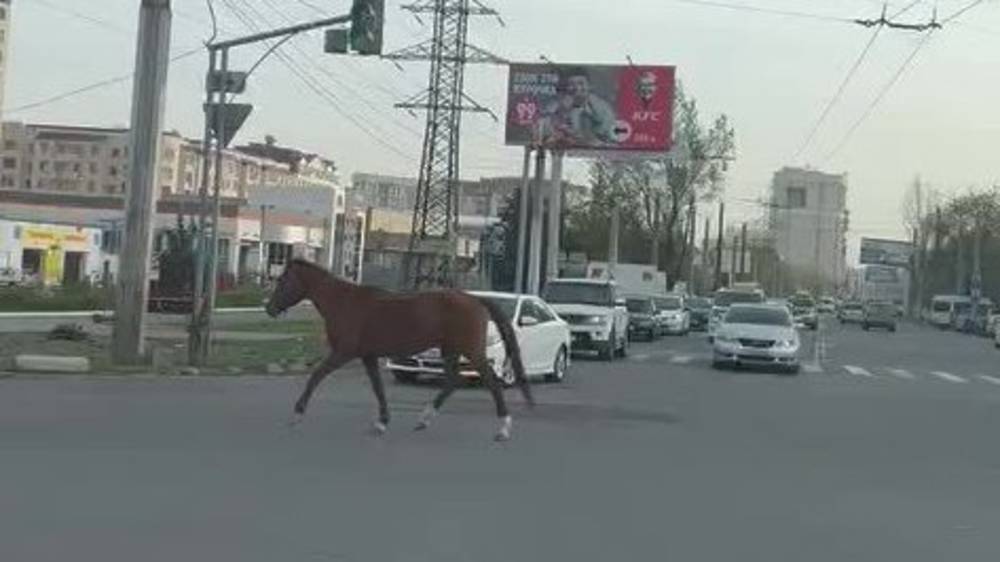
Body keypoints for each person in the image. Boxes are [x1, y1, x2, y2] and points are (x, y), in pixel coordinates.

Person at [535, 67, 618, 147]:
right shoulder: (557, 106)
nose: (577, 88)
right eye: (571, 84)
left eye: (581, 83)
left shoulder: (603, 110)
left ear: (590, 86)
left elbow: (612, 139)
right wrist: (562, 112)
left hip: (596, 153)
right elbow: (544, 131)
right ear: (566, 88)